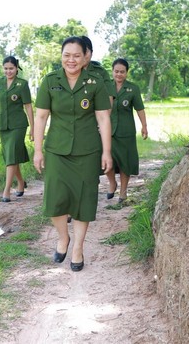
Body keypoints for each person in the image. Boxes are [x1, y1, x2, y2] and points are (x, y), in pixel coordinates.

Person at [33, 36, 112, 272]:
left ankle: (78, 248)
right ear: (61, 56)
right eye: (67, 55)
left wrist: (107, 152)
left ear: (85, 57)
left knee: (83, 200)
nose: (71, 60)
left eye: (77, 55)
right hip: (57, 149)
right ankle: (63, 237)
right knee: (55, 199)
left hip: (87, 150)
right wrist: (38, 150)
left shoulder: (95, 83)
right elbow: (41, 117)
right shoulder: (50, 81)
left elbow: (103, 118)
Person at [0, 56, 35, 203]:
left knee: (12, 155)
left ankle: (6, 190)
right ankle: (20, 182)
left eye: (11, 68)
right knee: (10, 156)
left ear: (16, 68)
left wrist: (33, 128)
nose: (8, 71)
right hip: (3, 125)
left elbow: (28, 106)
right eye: (6, 68)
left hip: (18, 125)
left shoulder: (22, 84)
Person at [105, 58, 148, 203]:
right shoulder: (106, 87)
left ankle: (123, 192)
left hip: (126, 131)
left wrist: (144, 126)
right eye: (116, 71)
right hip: (108, 130)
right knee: (106, 159)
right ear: (112, 71)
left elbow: (139, 108)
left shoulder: (133, 88)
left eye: (122, 72)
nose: (119, 74)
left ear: (127, 73)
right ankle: (112, 183)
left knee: (125, 162)